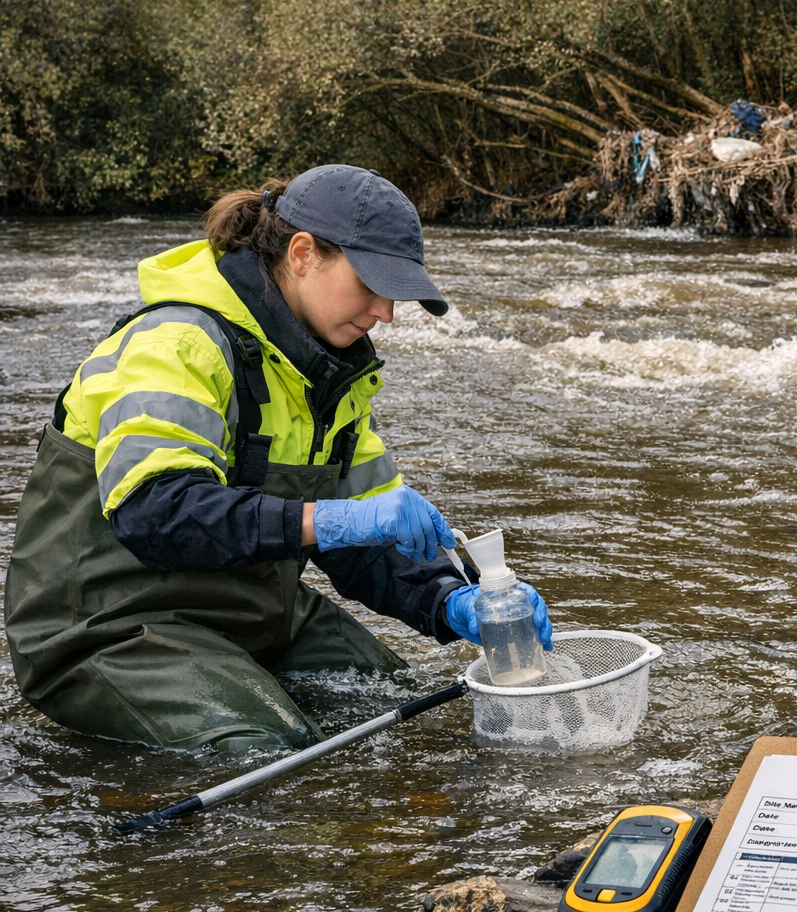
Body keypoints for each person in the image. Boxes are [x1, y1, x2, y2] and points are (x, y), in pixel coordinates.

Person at [3, 164, 549, 753]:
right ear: (303, 253)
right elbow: (155, 511)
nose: (386, 312)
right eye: (372, 285)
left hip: (252, 615)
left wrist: (451, 599)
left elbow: (372, 542)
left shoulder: (331, 376)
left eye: (395, 293)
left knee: (404, 711)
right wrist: (328, 521)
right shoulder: (176, 343)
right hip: (108, 627)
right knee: (273, 747)